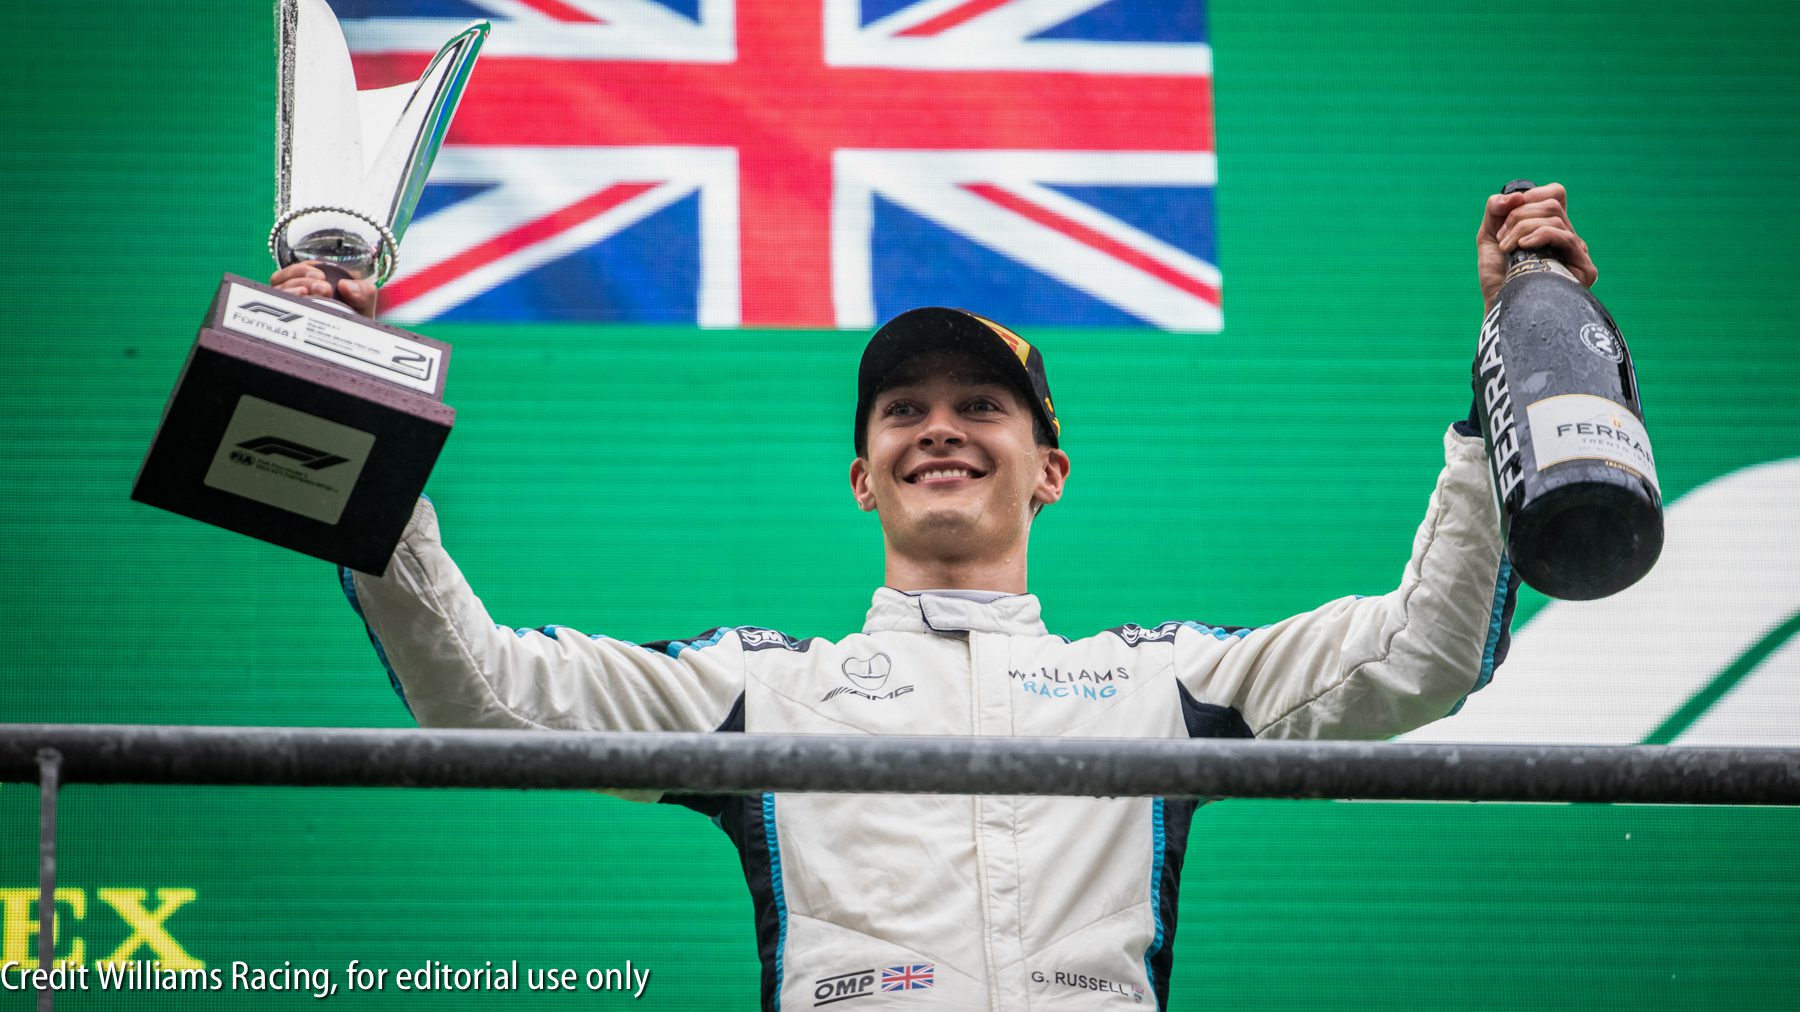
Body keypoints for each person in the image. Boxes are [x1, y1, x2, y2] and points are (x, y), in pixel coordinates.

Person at [273, 184, 1598, 1011]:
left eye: (983, 407)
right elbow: (483, 695)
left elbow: (1427, 654)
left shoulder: (1165, 682)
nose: (940, 430)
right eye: (904, 410)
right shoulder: (758, 687)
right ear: (863, 477)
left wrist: (1505, 382)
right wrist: (355, 421)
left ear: (1051, 469)